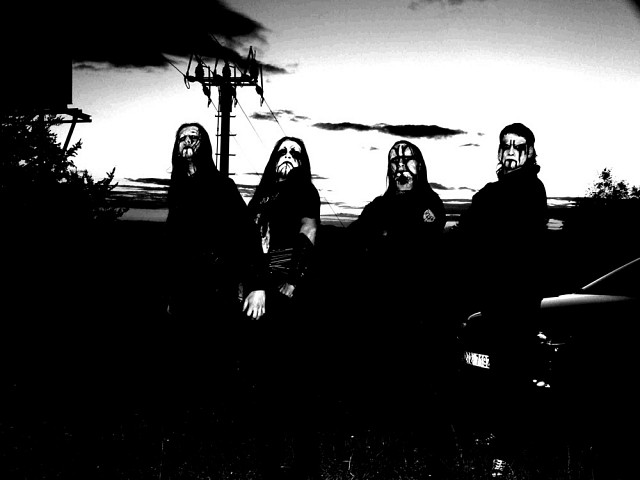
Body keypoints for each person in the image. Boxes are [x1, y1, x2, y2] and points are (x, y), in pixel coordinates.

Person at [162, 122, 268, 474]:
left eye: (194, 137)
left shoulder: (221, 186)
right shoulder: (178, 189)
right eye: (182, 138)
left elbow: (247, 235)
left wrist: (256, 283)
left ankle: (227, 437)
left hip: (217, 287)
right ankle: (190, 436)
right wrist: (171, 291)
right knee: (186, 363)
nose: (187, 142)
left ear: (205, 145)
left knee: (219, 361)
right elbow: (173, 247)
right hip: (186, 291)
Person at [457, 122, 548, 478]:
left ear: (529, 153)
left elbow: (505, 234)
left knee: (511, 374)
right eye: (506, 145)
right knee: (493, 372)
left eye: (519, 146)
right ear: (499, 151)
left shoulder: (530, 189)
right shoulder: (494, 191)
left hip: (518, 302)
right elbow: (470, 231)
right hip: (493, 299)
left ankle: (506, 452)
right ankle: (497, 433)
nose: (511, 151)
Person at [344, 139, 448, 437]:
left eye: (407, 158)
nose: (400, 164)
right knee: (382, 368)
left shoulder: (430, 204)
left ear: (420, 165)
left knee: (416, 372)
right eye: (394, 159)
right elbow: (354, 239)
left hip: (418, 307)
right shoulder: (377, 206)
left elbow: (422, 235)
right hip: (381, 304)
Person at [246, 136, 322, 480]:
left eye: (295, 152)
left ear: (303, 161)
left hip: (289, 294)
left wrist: (293, 280)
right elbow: (249, 242)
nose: (288, 156)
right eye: (282, 151)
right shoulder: (262, 194)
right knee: (266, 383)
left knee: (298, 383)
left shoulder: (303, 189)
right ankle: (270, 463)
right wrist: (250, 284)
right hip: (261, 293)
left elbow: (309, 228)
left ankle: (307, 466)